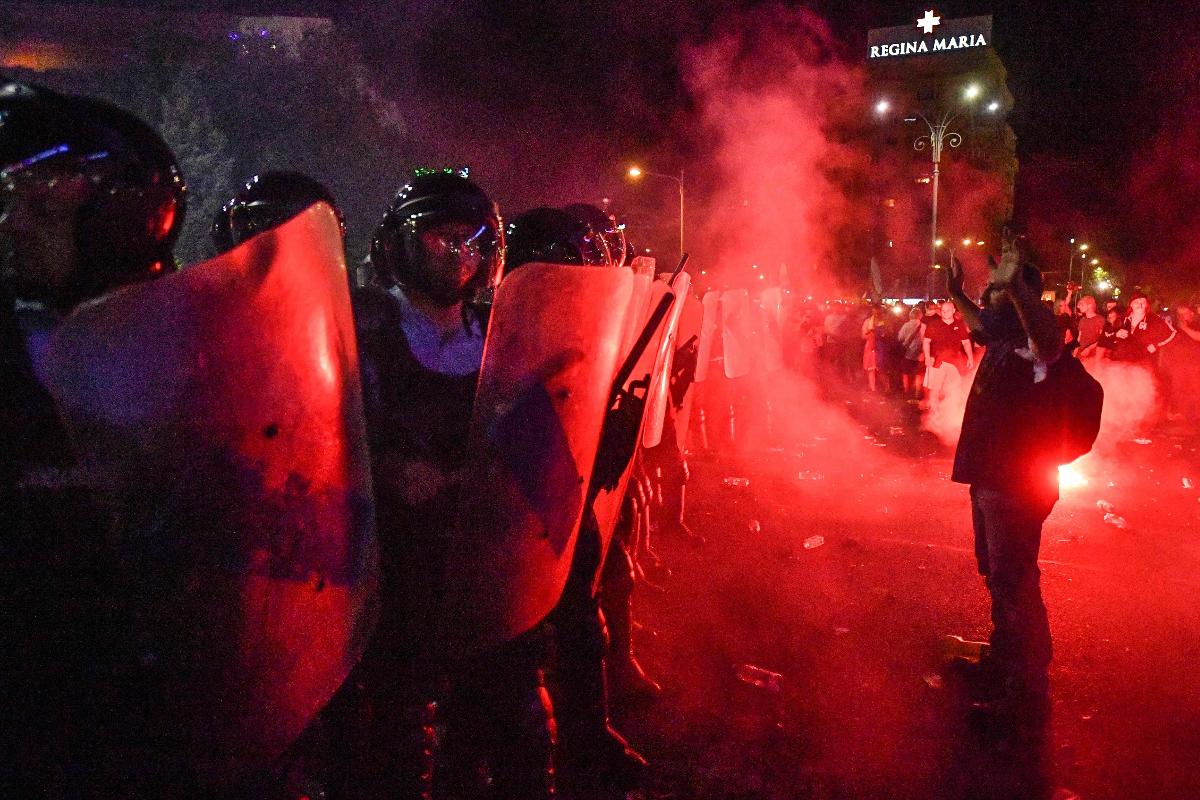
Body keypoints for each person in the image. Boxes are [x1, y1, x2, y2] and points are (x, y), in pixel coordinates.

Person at [345, 171, 559, 799]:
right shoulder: (364, 335)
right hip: (392, 568)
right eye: (441, 240)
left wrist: (485, 479)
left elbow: (539, 447)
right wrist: (382, 468)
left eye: (471, 242)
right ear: (401, 247)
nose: (459, 257)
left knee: (509, 728)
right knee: (395, 732)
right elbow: (318, 434)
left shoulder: (506, 335)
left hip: (485, 564)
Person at [1, 80, 188, 796]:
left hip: (157, 684)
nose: (13, 226)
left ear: (125, 218)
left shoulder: (192, 350)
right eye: (9, 202)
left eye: (42, 204)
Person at [505, 206, 650, 793]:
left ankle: (591, 737)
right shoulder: (489, 332)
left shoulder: (590, 336)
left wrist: (615, 425)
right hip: (507, 512)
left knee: (581, 626)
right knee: (509, 653)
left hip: (567, 502)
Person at [945, 232, 1064, 727]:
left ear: (1020, 298)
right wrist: (957, 294)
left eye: (997, 293)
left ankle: (1023, 690)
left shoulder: (1035, 345)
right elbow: (978, 325)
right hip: (992, 480)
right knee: (998, 575)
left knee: (1014, 582)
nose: (987, 300)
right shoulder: (1003, 337)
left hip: (1015, 486)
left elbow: (1050, 343)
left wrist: (1016, 288)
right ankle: (1004, 660)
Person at [922, 299, 974, 412]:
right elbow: (926, 341)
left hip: (955, 363)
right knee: (935, 389)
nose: (945, 313)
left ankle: (951, 411)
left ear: (953, 310)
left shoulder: (959, 325)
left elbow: (966, 342)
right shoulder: (934, 325)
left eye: (948, 311)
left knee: (954, 388)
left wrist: (970, 358)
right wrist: (927, 356)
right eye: (943, 311)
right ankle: (934, 413)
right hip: (937, 362)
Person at [1113, 291, 1175, 364]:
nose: (1140, 304)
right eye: (1136, 302)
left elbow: (1172, 333)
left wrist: (1156, 345)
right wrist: (1116, 334)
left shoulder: (1154, 319)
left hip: (1145, 364)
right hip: (1122, 362)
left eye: (1143, 301)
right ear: (1131, 304)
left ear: (1147, 305)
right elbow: (1107, 336)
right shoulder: (1121, 319)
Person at [897, 306, 926, 399]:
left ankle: (906, 390)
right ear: (920, 316)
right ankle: (917, 391)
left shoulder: (906, 325)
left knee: (905, 373)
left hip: (908, 353)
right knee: (919, 374)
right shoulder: (924, 326)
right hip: (920, 353)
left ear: (910, 315)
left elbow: (900, 338)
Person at [1074, 294, 1104, 360]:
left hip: (1092, 355)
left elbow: (1102, 339)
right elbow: (1079, 337)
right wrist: (1075, 349)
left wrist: (1089, 349)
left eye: (1082, 305)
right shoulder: (1082, 320)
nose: (1079, 307)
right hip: (1080, 353)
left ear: (1090, 305)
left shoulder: (1100, 319)